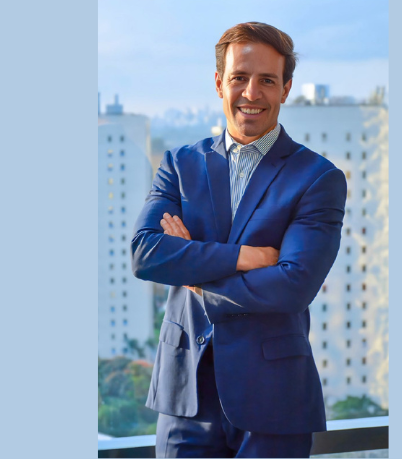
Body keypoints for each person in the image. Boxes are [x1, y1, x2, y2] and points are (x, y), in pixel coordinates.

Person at [131, 22, 347, 458]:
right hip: (185, 396)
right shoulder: (179, 165)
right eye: (239, 78)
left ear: (285, 89)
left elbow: (293, 285)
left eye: (267, 80)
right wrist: (245, 257)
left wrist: (194, 274)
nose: (251, 93)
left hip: (274, 399)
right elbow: (147, 254)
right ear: (219, 83)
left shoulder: (317, 178)